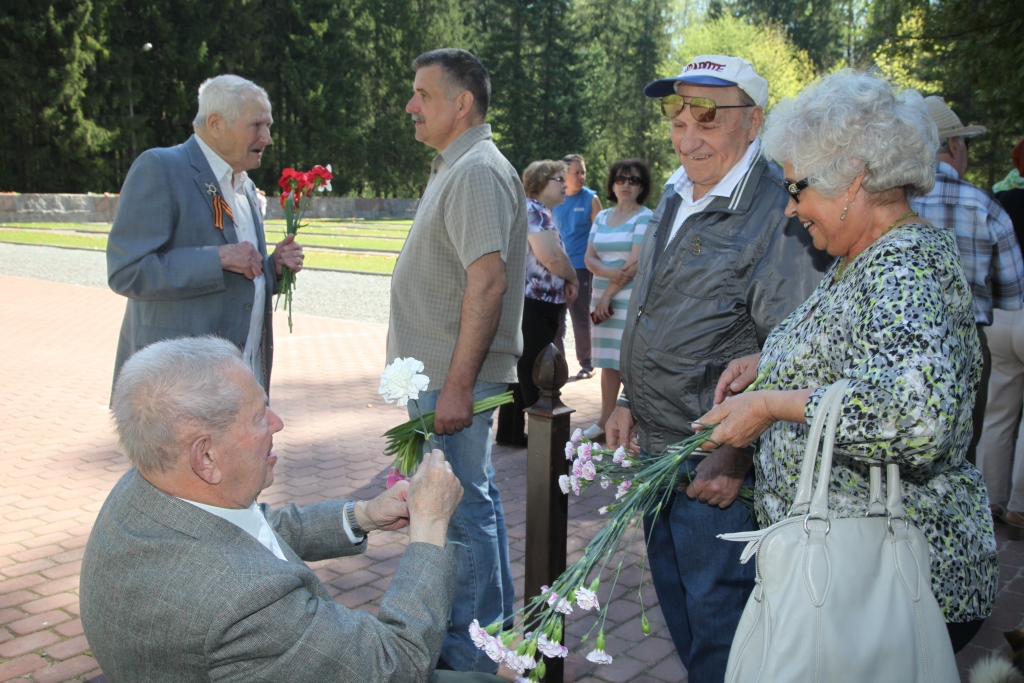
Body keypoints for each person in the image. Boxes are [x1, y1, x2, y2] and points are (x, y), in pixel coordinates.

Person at [697, 70, 999, 655]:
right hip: (854, 578)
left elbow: (916, 420)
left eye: (797, 189)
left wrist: (770, 405)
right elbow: (859, 353)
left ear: (852, 179)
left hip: (888, 584)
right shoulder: (864, 256)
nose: (790, 210)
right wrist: (773, 360)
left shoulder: (902, 267)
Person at [80, 336, 502, 683]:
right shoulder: (244, 601)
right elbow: (397, 665)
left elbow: (251, 528)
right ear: (205, 457)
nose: (277, 422)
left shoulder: (144, 486)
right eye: (259, 415)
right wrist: (429, 528)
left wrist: (363, 515)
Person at [605, 55, 829, 681]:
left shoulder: (778, 212)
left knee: (722, 626)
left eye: (708, 116)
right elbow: (651, 303)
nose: (688, 134)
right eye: (677, 116)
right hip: (660, 449)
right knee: (680, 609)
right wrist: (626, 400)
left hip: (715, 460)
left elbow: (789, 349)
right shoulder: (677, 192)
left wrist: (736, 456)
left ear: (754, 121)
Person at [388, 48, 526, 677]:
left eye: (422, 93)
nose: (411, 105)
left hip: (452, 382)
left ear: (461, 102)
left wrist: (458, 387)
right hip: (444, 378)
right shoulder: (460, 164)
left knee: (461, 512)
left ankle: (469, 658)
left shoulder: (474, 170)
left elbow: (488, 282)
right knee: (473, 504)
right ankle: (488, 643)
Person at [107, 75, 304, 394]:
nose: (267, 138)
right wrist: (219, 258)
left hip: (238, 384)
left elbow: (240, 279)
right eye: (256, 125)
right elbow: (127, 272)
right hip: (176, 391)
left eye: (268, 126)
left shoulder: (246, 186)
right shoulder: (160, 167)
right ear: (215, 123)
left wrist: (272, 268)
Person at [909, 96, 1024, 466]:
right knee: (959, 453)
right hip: (965, 343)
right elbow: (1012, 292)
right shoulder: (984, 204)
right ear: (955, 145)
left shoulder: (890, 202)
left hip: (898, 340)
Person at [496, 160, 579, 446]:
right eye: (559, 179)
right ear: (541, 183)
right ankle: (549, 442)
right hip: (534, 303)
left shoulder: (535, 211)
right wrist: (574, 279)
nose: (565, 185)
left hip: (531, 302)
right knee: (538, 374)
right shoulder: (534, 210)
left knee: (521, 371)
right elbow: (551, 256)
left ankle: (510, 432)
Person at [580, 159, 653, 440]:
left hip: (626, 301)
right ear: (612, 184)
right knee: (607, 364)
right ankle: (603, 421)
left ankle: (629, 424)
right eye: (621, 179)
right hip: (601, 298)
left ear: (642, 187)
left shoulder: (645, 217)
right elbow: (588, 257)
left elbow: (634, 263)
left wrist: (607, 296)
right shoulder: (602, 217)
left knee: (627, 363)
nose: (626, 184)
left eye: (633, 180)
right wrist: (607, 274)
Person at [978, 138, 1024, 532]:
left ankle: (991, 498)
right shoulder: (985, 203)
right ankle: (1020, 505)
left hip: (998, 325)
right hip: (1011, 311)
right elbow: (1012, 283)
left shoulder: (1002, 198)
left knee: (997, 414)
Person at [552, 154, 602, 379]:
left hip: (582, 267)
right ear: (564, 174)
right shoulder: (554, 199)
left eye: (583, 172)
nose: (581, 176)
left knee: (580, 316)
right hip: (556, 268)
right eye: (576, 172)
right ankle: (557, 366)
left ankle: (587, 364)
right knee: (556, 319)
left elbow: (602, 235)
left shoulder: (591, 199)